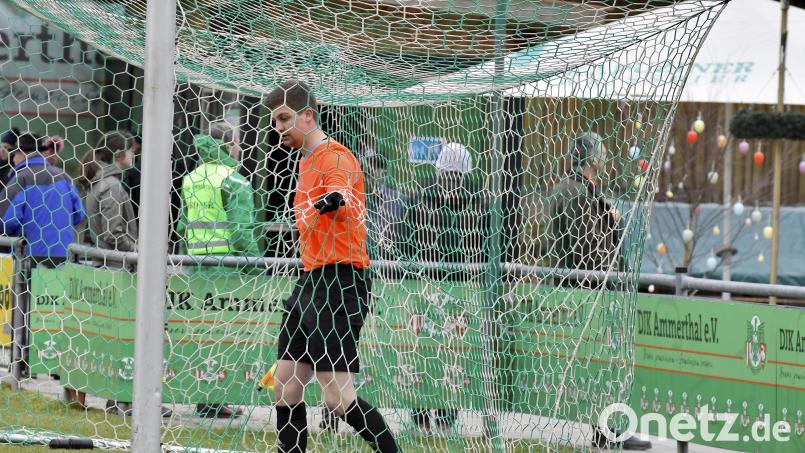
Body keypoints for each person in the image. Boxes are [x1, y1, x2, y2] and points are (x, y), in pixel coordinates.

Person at [265, 80, 398, 453]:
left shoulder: (335, 156)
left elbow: (339, 189)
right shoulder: (306, 161)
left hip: (340, 282)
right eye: (275, 121)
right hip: (310, 280)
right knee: (286, 383)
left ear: (308, 115)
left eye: (285, 119)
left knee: (337, 399)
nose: (279, 128)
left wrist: (333, 198)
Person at [548, 132, 652, 451]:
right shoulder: (578, 193)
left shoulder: (573, 190)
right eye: (601, 153)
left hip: (579, 286)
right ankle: (609, 431)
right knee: (603, 364)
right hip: (590, 289)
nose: (605, 159)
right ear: (592, 157)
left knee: (597, 364)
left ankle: (606, 429)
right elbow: (588, 246)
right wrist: (615, 273)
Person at [177, 121, 259, 418]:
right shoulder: (234, 181)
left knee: (201, 330)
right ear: (227, 146)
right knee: (224, 333)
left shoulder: (190, 178)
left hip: (196, 264)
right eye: (236, 142)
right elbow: (240, 232)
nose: (239, 148)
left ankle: (204, 397)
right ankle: (215, 400)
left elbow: (182, 224)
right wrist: (256, 266)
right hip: (225, 266)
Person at [403, 142, 485, 435]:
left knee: (453, 354)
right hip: (426, 288)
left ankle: (445, 417)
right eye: (446, 175)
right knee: (425, 350)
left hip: (456, 290)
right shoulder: (420, 200)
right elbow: (404, 239)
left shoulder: (476, 203)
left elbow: (487, 244)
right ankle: (421, 416)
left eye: (455, 176)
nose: (450, 182)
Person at [0, 132, 85, 406]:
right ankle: (60, 364)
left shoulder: (20, 178)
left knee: (26, 309)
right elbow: (79, 215)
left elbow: (6, 220)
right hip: (64, 255)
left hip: (32, 255)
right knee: (59, 312)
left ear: (20, 154)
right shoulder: (63, 177)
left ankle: (22, 363)